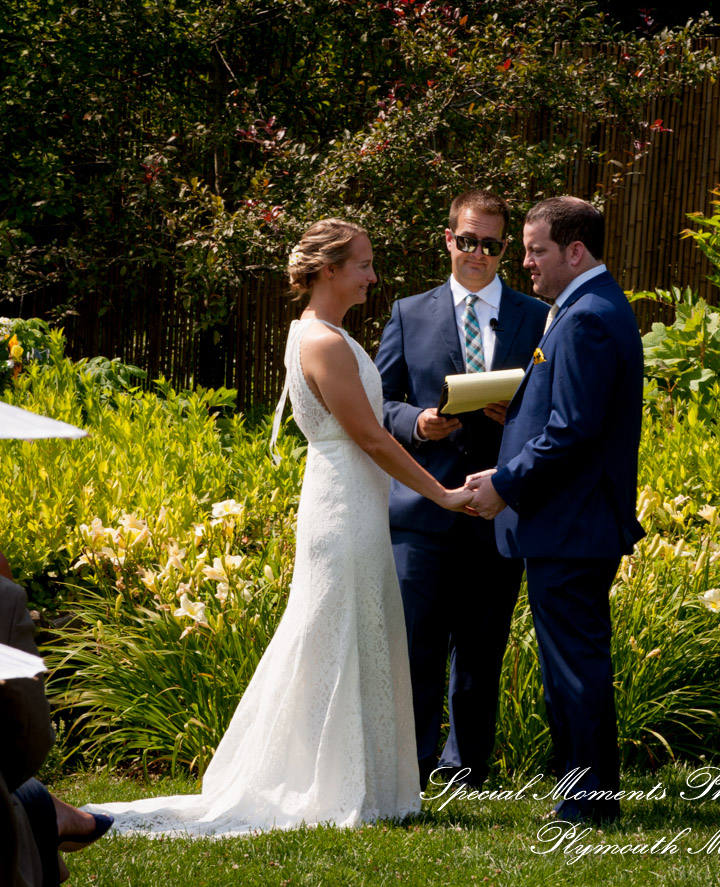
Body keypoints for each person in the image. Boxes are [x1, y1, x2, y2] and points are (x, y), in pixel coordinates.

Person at [86, 219, 472, 835]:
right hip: (343, 507)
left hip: (351, 502)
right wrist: (443, 494)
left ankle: (360, 781)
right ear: (327, 271)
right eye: (363, 264)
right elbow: (370, 437)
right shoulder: (322, 341)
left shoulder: (324, 334)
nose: (374, 276)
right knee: (334, 633)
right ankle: (326, 783)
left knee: (350, 631)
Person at [466, 196, 645, 824]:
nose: (524, 262)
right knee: (569, 667)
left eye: (536, 249)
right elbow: (565, 414)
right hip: (569, 523)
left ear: (575, 251)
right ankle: (580, 796)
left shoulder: (588, 315)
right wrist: (515, 413)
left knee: (574, 671)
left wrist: (504, 484)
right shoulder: (583, 307)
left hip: (571, 526)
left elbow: (572, 430)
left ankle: (588, 807)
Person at [375, 190, 549, 789]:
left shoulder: (535, 316)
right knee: (417, 649)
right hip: (422, 507)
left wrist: (518, 412)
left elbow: (552, 405)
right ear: (448, 239)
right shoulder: (408, 312)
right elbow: (379, 404)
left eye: (491, 244)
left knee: (481, 652)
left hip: (496, 511)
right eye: (467, 240)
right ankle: (415, 767)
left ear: (504, 249)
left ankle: (469, 769)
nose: (478, 253)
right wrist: (418, 423)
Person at [1, 570, 113, 887]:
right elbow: (28, 740)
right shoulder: (3, 599)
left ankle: (55, 814)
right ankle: (56, 816)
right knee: (28, 800)